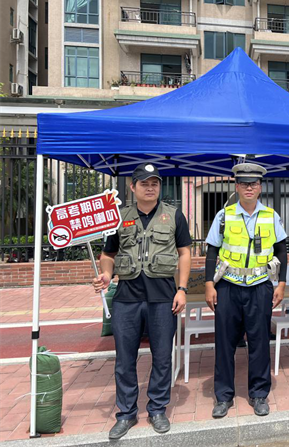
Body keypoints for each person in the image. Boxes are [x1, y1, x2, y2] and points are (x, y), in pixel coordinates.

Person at [93, 163, 192, 440]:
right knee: (125, 358)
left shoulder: (174, 216)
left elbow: (185, 253)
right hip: (127, 298)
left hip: (163, 297)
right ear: (132, 187)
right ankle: (126, 413)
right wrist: (106, 275)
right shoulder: (119, 217)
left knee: (162, 356)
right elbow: (109, 255)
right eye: (144, 183)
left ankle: (157, 409)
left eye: (154, 183)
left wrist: (182, 289)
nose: (150, 188)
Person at [204, 163, 288, 418]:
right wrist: (209, 284)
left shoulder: (271, 216)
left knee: (260, 342)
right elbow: (211, 251)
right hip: (228, 286)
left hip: (260, 286)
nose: (249, 188)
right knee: (225, 343)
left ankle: (259, 394)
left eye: (253, 184)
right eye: (244, 184)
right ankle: (223, 396)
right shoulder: (224, 216)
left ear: (260, 187)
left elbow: (282, 251)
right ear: (237, 186)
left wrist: (281, 284)